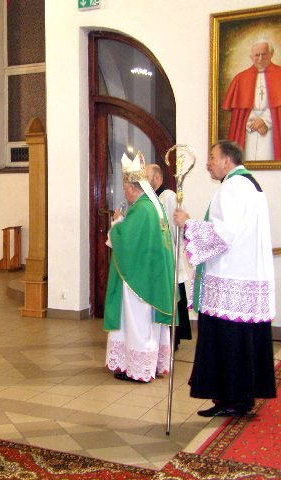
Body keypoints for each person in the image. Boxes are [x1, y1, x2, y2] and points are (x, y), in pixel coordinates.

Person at [173, 140, 276, 417]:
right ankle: (237, 398)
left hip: (229, 279)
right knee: (240, 342)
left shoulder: (233, 188)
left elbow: (223, 235)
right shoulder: (248, 185)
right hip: (242, 276)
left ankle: (232, 399)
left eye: (212, 157)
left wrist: (188, 224)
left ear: (227, 161)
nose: (208, 163)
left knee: (229, 342)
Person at [104, 152, 174, 383]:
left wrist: (116, 222)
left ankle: (139, 370)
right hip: (153, 274)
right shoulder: (154, 205)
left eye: (125, 189)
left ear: (133, 188)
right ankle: (147, 365)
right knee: (148, 324)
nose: (125, 193)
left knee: (137, 322)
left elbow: (125, 239)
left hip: (139, 278)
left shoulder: (142, 209)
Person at [146, 164, 192, 350]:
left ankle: (174, 338)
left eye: (146, 177)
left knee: (173, 296)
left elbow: (176, 227)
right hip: (158, 258)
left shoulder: (169, 197)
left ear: (157, 178)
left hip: (170, 254)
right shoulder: (152, 198)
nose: (143, 181)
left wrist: (171, 249)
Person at [222, 40, 281, 161]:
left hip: (272, 129)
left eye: (264, 54)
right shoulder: (240, 78)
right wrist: (253, 123)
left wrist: (266, 121)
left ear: (271, 54)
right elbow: (240, 112)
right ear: (251, 57)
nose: (260, 59)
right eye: (256, 55)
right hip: (249, 130)